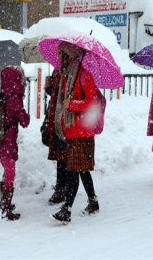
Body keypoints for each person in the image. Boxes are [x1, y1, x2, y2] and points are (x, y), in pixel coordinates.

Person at [51, 41, 100, 224]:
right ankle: (93, 201)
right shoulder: (67, 75)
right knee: (82, 170)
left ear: (71, 55)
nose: (59, 58)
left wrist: (72, 104)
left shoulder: (84, 75)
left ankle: (67, 210)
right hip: (71, 131)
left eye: (62, 54)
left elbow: (92, 103)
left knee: (73, 171)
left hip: (82, 132)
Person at [0, 66, 30, 220]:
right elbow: (24, 121)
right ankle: (5, 210)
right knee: (10, 173)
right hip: (7, 142)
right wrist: (26, 114)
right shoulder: (14, 98)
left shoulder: (3, 95)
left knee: (7, 172)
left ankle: (4, 204)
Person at [44, 70, 68, 205]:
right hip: (56, 118)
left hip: (63, 119)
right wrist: (49, 87)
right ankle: (62, 186)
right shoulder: (57, 70)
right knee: (60, 156)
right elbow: (55, 94)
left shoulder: (68, 71)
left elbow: (64, 95)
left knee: (63, 155)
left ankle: (63, 189)